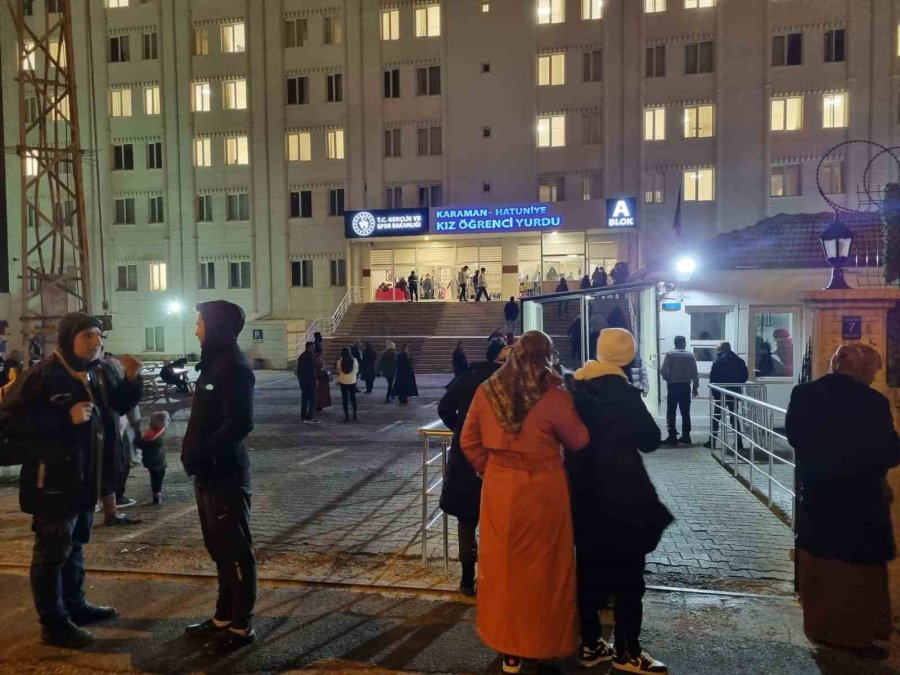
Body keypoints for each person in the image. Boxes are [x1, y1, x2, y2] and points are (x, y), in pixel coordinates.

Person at [0, 313, 142, 648]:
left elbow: (119, 404)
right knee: (50, 554)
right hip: (52, 482)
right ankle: (54, 624)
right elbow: (7, 422)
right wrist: (63, 417)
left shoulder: (101, 371)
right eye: (87, 336)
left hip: (85, 480)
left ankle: (75, 606)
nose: (95, 342)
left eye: (98, 335)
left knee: (75, 544)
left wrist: (132, 379)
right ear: (68, 339)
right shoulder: (44, 376)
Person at [460, 330, 589, 673]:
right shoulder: (553, 396)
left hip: (501, 489)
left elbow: (469, 440)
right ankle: (540, 642)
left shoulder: (487, 391)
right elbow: (579, 439)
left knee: (503, 569)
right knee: (544, 569)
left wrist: (492, 468)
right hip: (544, 491)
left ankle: (508, 646)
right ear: (546, 357)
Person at [568, 328, 671, 674]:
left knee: (588, 571)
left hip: (583, 494)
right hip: (623, 496)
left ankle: (590, 643)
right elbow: (650, 440)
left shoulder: (576, 387)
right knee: (629, 576)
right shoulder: (623, 393)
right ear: (627, 357)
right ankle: (627, 651)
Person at [786, 343, 899, 657]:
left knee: (820, 566)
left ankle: (820, 629)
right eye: (873, 371)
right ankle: (855, 638)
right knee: (857, 574)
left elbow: (794, 437)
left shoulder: (804, 394)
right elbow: (890, 451)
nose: (874, 377)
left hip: (818, 494)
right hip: (860, 499)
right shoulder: (873, 402)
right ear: (864, 370)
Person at [181, 300, 257, 652]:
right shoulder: (215, 363)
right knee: (220, 550)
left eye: (199, 323)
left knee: (236, 552)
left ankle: (241, 626)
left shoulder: (234, 367)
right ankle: (224, 616)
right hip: (209, 475)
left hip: (225, 475)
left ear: (215, 327)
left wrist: (202, 452)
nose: (196, 330)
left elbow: (240, 423)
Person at [439, 341, 509, 596]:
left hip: (465, 456)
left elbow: (444, 408)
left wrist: (459, 429)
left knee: (467, 519)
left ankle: (467, 578)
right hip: (499, 457)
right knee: (497, 521)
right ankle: (493, 576)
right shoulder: (510, 382)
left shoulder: (467, 378)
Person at [704, 342, 748, 450]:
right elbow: (744, 376)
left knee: (716, 416)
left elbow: (713, 378)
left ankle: (712, 440)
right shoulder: (739, 361)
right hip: (734, 392)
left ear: (721, 350)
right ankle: (739, 441)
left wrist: (715, 392)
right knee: (734, 417)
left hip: (721, 393)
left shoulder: (718, 362)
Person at [660, 336, 699, 445]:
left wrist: (667, 378)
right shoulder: (690, 355)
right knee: (685, 412)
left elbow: (663, 370)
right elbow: (695, 373)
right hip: (685, 386)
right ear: (684, 343)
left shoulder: (670, 354)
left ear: (675, 343)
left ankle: (672, 436)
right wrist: (695, 387)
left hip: (673, 386)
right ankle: (686, 436)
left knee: (671, 411)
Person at [137, 411, 170, 505]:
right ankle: (157, 495)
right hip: (160, 462)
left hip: (150, 462)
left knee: (154, 477)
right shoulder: (159, 435)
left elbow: (141, 444)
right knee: (158, 479)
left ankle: (156, 494)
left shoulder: (148, 434)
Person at [296, 341, 318, 424]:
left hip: (305, 382)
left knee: (305, 400)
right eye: (312, 347)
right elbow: (311, 371)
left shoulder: (303, 356)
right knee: (312, 399)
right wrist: (315, 380)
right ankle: (310, 417)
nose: (314, 348)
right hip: (309, 382)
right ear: (308, 347)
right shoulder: (308, 357)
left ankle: (304, 417)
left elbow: (299, 371)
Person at [336, 347, 359, 422]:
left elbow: (339, 371)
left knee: (345, 399)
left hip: (343, 381)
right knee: (353, 398)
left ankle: (347, 417)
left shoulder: (339, 361)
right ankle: (355, 415)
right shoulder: (354, 360)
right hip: (352, 381)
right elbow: (356, 370)